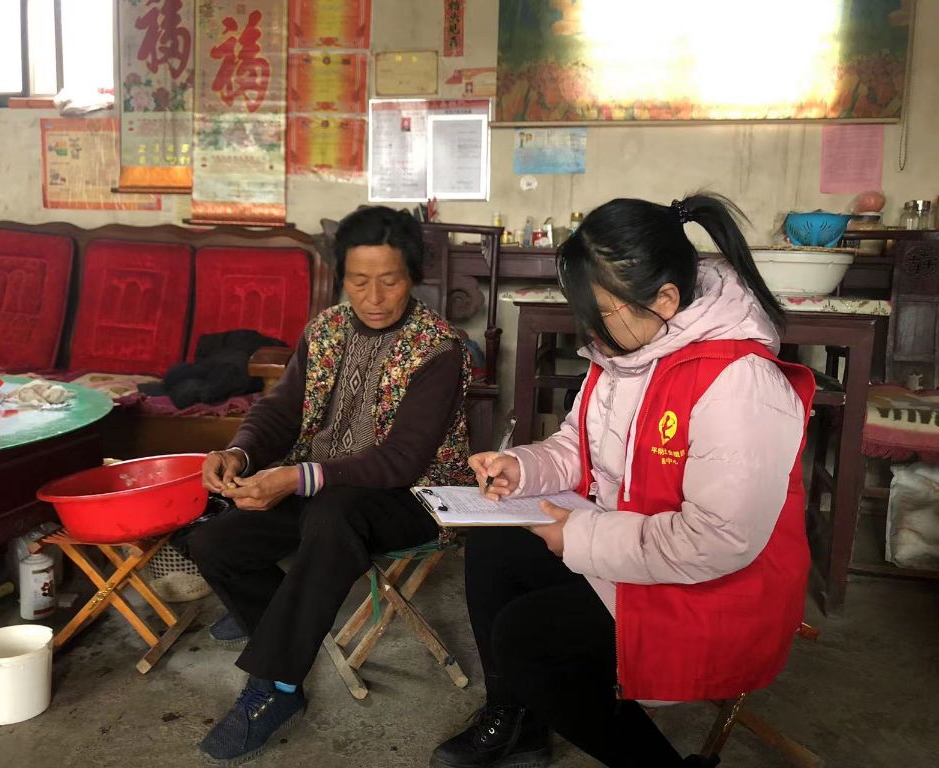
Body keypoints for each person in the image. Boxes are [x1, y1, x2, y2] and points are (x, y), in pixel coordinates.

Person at [431, 194, 815, 768]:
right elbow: (577, 445)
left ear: (665, 300)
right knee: (495, 540)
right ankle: (518, 724)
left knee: (528, 639)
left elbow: (718, 542)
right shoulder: (627, 351)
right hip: (639, 549)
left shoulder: (740, 383)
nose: (590, 328)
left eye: (601, 312)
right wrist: (522, 467)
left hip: (716, 592)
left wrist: (578, 537)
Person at [189, 205, 474, 764]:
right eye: (359, 281)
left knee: (333, 515)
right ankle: (281, 627)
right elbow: (280, 412)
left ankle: (276, 686)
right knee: (214, 541)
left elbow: (401, 460)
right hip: (320, 486)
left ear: (413, 276)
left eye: (389, 281)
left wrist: (295, 478)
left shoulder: (438, 348)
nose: (374, 298)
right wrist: (239, 452)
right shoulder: (325, 331)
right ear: (342, 276)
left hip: (413, 497)